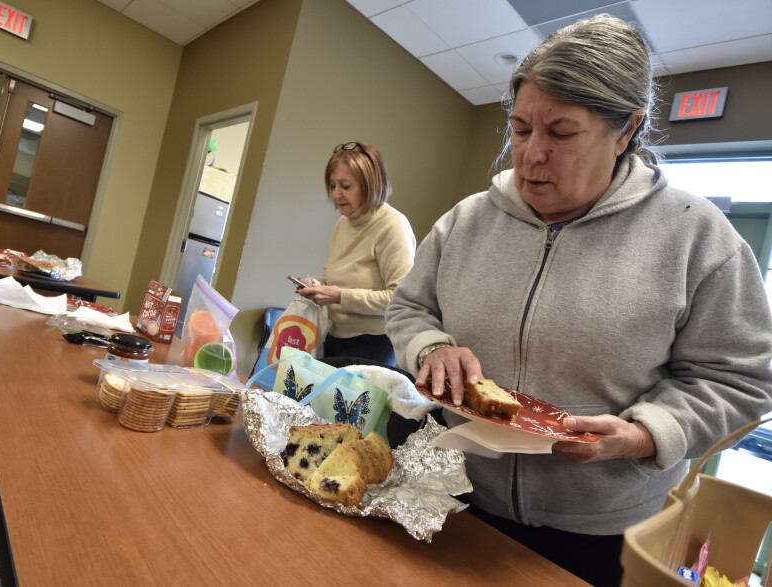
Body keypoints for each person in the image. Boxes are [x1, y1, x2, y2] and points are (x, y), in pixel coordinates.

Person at [385, 15, 772, 587]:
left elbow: (741, 379)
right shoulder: (466, 221)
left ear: (626, 130)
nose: (530, 155)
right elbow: (408, 307)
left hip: (597, 534)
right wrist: (429, 348)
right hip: (454, 497)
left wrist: (644, 434)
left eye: (561, 134)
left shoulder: (698, 238)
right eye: (519, 129)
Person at [296, 142, 415, 366]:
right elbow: (334, 275)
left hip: (374, 345)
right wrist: (316, 284)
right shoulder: (343, 223)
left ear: (370, 185)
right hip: (335, 336)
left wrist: (339, 296)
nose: (336, 194)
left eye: (345, 186)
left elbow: (399, 299)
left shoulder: (393, 225)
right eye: (332, 186)